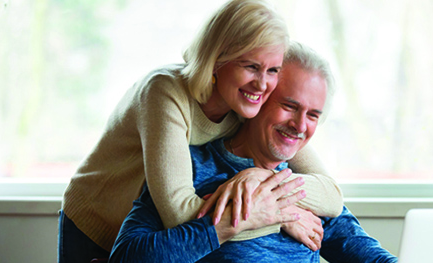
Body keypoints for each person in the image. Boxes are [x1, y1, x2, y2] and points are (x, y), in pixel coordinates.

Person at [59, 1, 342, 262]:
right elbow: (180, 214)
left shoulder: (247, 105)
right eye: (251, 66)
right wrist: (279, 217)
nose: (262, 84)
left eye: (272, 70)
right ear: (218, 58)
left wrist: (263, 178)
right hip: (95, 220)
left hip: (153, 232)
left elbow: (331, 194)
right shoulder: (165, 92)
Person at [109, 42, 397, 263]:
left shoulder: (306, 188)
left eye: (313, 116)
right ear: (258, 97)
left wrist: (267, 187)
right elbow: (126, 257)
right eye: (290, 106)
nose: (299, 126)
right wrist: (248, 217)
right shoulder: (192, 171)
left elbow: (371, 257)